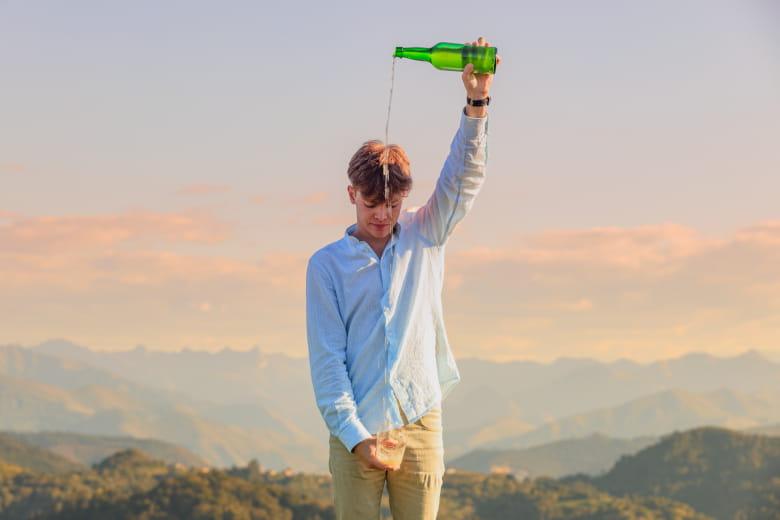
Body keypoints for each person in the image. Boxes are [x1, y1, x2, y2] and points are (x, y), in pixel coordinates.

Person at [306, 36, 500, 519]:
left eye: (392, 204)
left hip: (420, 421)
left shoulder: (423, 234)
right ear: (351, 192)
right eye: (372, 204)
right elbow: (328, 364)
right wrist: (356, 438)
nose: (383, 214)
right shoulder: (326, 266)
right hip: (356, 432)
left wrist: (476, 103)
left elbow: (463, 179)